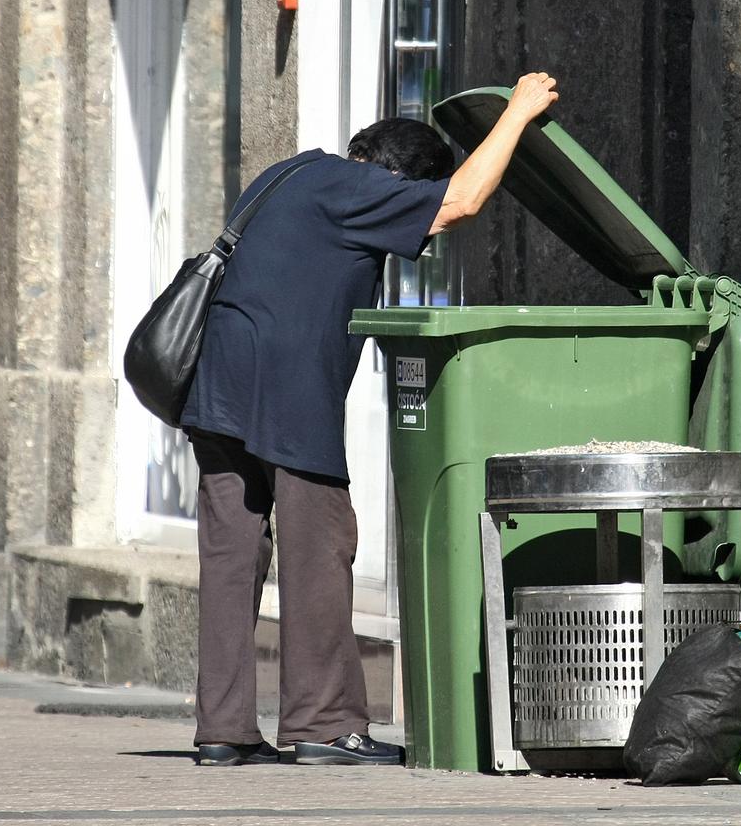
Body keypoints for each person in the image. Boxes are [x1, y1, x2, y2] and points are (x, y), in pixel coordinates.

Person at [179, 72, 560, 766]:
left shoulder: (289, 176)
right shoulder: (356, 189)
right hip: (288, 394)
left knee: (230, 560)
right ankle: (324, 725)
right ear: (391, 177)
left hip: (219, 385)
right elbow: (461, 201)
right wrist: (518, 113)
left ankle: (223, 730)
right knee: (320, 547)